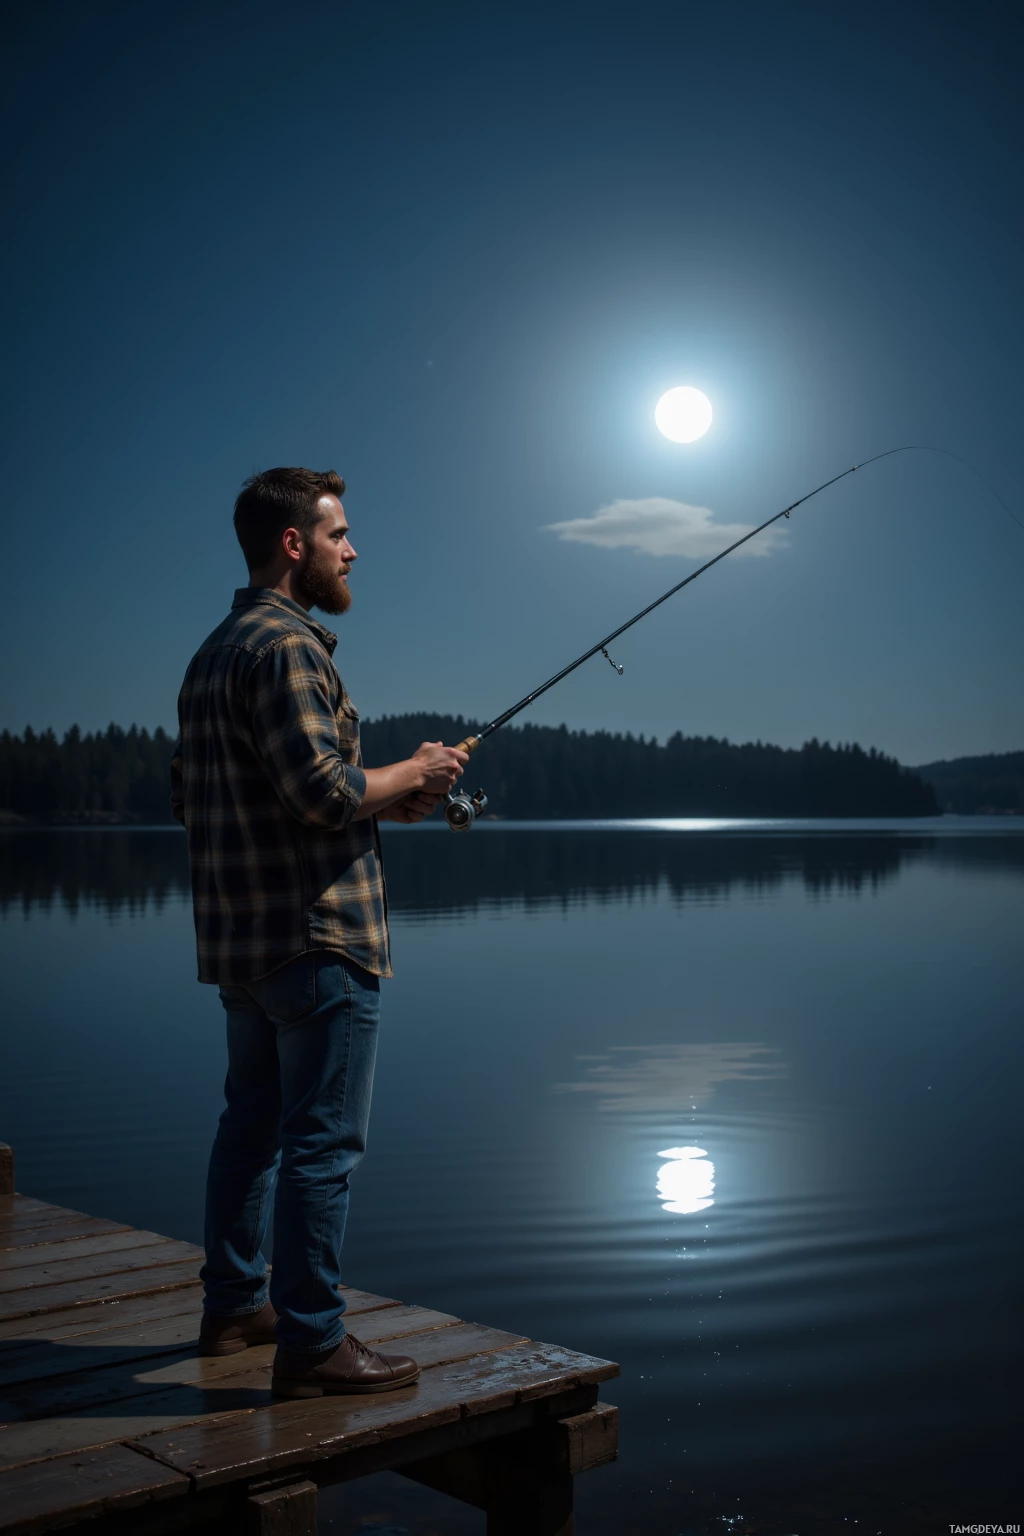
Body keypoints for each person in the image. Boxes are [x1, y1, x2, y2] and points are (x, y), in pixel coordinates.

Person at [170, 466, 467, 1397]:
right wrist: (410, 766)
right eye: (337, 533)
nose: (352, 549)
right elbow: (325, 790)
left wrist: (391, 801)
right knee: (322, 1145)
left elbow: (204, 801)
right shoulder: (290, 648)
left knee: (249, 1128)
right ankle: (311, 1341)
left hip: (241, 945)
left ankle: (233, 1309)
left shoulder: (212, 652)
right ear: (294, 544)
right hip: (317, 941)